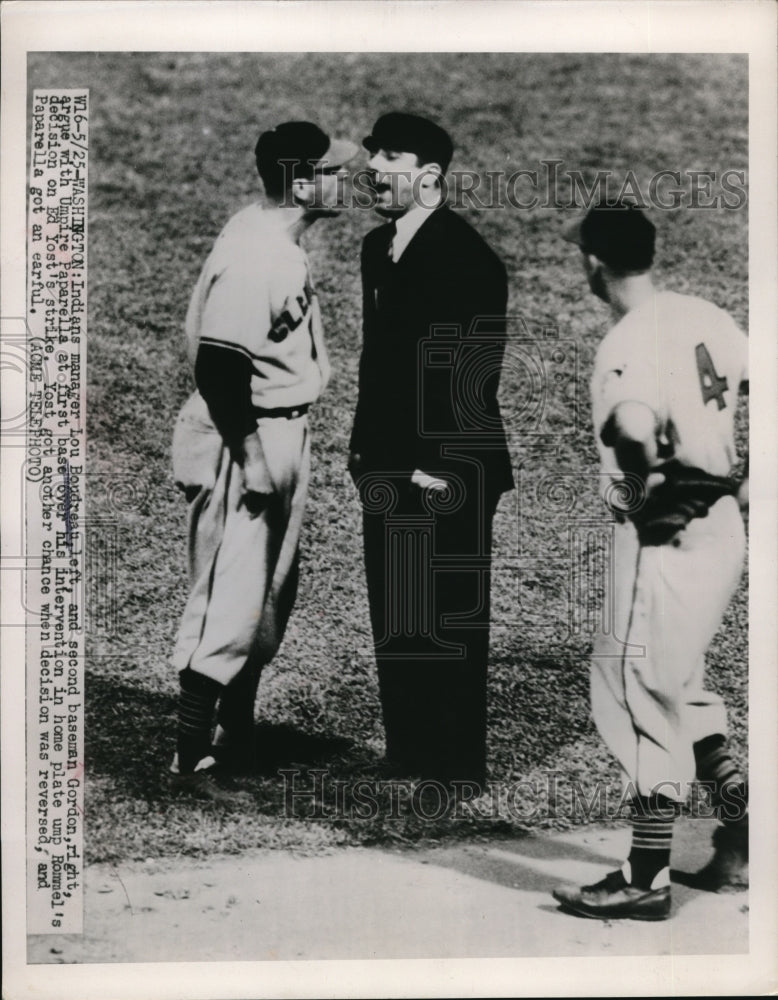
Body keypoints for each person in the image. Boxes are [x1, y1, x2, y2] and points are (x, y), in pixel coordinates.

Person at [552, 201, 749, 920]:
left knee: (637, 693)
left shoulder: (628, 342)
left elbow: (633, 427)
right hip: (722, 528)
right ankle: (744, 832)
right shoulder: (705, 316)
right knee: (679, 684)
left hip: (664, 536)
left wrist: (650, 488)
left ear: (594, 262)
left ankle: (644, 876)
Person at [168, 121, 357, 800]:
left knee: (264, 596)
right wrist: (251, 459)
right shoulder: (260, 258)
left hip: (273, 429)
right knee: (229, 595)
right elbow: (221, 369)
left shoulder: (272, 234)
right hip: (244, 434)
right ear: (301, 184)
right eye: (334, 171)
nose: (348, 180)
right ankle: (191, 755)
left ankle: (233, 733)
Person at [349, 112, 514, 790]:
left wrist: (437, 467)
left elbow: (473, 374)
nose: (373, 168)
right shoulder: (377, 248)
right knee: (397, 608)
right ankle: (411, 751)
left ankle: (456, 766)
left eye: (390, 156)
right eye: (373, 154)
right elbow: (379, 360)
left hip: (452, 467)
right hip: (388, 463)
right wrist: (365, 451)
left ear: (429, 175)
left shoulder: (466, 258)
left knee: (448, 615)